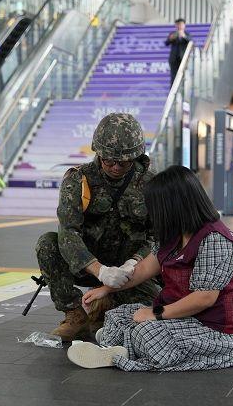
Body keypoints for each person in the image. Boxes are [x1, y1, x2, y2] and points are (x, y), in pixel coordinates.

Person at [68, 165, 233, 371]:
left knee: (146, 332)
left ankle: (119, 348)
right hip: (183, 319)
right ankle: (120, 346)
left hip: (215, 331)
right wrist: (107, 288)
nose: (152, 214)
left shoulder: (215, 240)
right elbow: (144, 269)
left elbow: (204, 298)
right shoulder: (174, 235)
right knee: (117, 316)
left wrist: (155, 314)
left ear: (173, 206)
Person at [35, 113, 160, 342]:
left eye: (122, 162)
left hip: (131, 270)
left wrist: (134, 263)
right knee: (47, 244)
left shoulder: (151, 184)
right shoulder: (78, 179)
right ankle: (75, 316)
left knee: (150, 316)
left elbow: (157, 237)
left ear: (135, 156)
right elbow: (68, 233)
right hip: (86, 265)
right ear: (98, 153)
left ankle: (107, 304)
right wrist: (100, 271)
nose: (114, 167)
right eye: (108, 160)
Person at [165, 18, 192, 84]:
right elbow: (166, 43)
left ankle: (183, 92)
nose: (179, 26)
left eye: (181, 24)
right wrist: (172, 38)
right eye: (178, 24)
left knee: (183, 76)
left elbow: (190, 43)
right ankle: (173, 93)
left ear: (184, 25)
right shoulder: (173, 34)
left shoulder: (187, 34)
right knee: (174, 77)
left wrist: (183, 36)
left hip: (183, 59)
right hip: (174, 59)